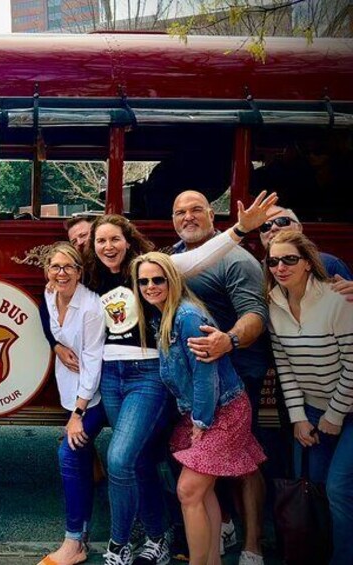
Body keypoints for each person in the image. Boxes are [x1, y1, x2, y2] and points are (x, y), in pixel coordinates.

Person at [84, 191, 276, 565]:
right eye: (100, 240)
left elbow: (208, 261)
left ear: (130, 241)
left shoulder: (175, 286)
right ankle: (186, 540)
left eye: (115, 238)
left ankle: (124, 543)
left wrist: (239, 229)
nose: (151, 286)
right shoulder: (122, 273)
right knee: (162, 467)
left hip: (213, 383)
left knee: (142, 464)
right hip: (153, 384)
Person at [132, 252, 266, 565]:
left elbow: (206, 374)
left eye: (157, 279)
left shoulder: (187, 316)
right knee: (203, 493)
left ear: (172, 280)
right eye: (143, 281)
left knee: (189, 491)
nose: (150, 286)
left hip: (222, 411)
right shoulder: (162, 316)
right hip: (203, 411)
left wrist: (201, 421)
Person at [169, 191, 269, 565]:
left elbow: (255, 314)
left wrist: (229, 340)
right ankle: (221, 525)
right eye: (180, 212)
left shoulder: (237, 258)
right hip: (195, 378)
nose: (188, 217)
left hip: (238, 372)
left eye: (197, 210)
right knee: (203, 457)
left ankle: (253, 545)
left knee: (243, 460)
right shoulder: (174, 255)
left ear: (213, 215)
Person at [265, 231, 353, 565]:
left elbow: (352, 363)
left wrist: (334, 415)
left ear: (307, 263)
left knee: (339, 489)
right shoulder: (273, 303)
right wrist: (300, 417)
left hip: (345, 410)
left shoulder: (337, 299)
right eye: (273, 261)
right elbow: (284, 367)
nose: (280, 267)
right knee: (313, 490)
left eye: (289, 259)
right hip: (314, 411)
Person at [37, 242, 106, 565]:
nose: (61, 273)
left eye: (68, 267)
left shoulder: (91, 309)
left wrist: (78, 413)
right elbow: (46, 313)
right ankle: (84, 534)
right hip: (72, 391)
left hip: (97, 395)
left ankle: (74, 543)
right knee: (81, 458)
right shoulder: (51, 296)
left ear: (80, 271)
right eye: (55, 267)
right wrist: (55, 346)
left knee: (70, 451)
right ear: (47, 272)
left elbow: (93, 363)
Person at [259, 205, 352, 280]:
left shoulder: (329, 264)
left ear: (299, 228)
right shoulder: (255, 269)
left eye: (282, 221)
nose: (274, 228)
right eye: (265, 226)